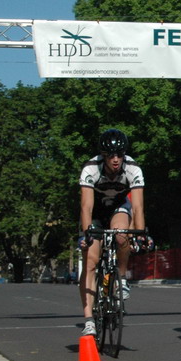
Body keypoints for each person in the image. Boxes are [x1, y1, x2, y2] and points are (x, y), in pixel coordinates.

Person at [77, 129, 146, 336]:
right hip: (95, 212)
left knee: (122, 234)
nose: (115, 160)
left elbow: (139, 207)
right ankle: (88, 317)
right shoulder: (91, 168)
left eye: (119, 154)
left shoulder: (133, 168)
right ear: (103, 155)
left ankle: (122, 277)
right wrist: (87, 233)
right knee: (90, 261)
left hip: (118, 208)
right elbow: (86, 207)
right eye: (110, 155)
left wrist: (140, 234)